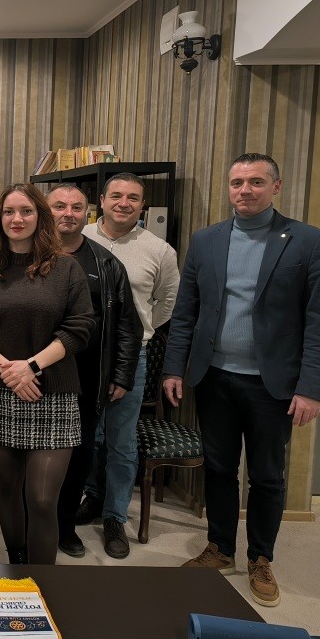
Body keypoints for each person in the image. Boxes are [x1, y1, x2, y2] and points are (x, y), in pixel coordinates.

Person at [162, 153, 320, 607]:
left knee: (266, 475)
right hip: (215, 377)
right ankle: (220, 547)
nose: (245, 190)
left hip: (272, 385)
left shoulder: (309, 242)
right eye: (237, 182)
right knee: (219, 469)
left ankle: (261, 558)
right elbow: (186, 311)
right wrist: (174, 367)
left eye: (256, 182)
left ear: (275, 187)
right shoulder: (207, 240)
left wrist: (312, 388)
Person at [0, 183, 93, 565]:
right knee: (8, 487)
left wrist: (30, 367)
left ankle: (42, 581)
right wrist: (9, 369)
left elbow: (80, 327)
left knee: (42, 498)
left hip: (52, 393)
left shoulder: (66, 268)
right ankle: (17, 562)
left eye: (26, 211)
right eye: (9, 212)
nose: (17, 219)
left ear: (40, 217)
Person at [75, 173, 179, 559]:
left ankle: (115, 516)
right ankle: (93, 496)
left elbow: (167, 303)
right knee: (86, 435)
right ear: (101, 201)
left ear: (142, 205)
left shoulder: (159, 251)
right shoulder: (78, 239)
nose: (124, 203)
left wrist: (143, 332)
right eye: (116, 195)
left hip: (129, 356)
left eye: (133, 197)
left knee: (121, 441)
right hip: (82, 355)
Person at [44, 184, 142, 558]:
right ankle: (32, 522)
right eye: (59, 206)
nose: (67, 213)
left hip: (86, 379)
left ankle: (65, 526)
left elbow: (128, 326)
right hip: (35, 377)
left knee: (78, 455)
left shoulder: (106, 264)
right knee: (33, 455)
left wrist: (121, 375)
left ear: (88, 213)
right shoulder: (26, 255)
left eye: (76, 207)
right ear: (45, 210)